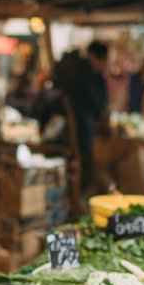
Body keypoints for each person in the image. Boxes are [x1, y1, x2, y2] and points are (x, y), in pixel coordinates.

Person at [54, 40, 108, 187]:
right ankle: (78, 200)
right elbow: (99, 108)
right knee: (83, 170)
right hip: (83, 131)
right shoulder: (90, 76)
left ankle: (74, 199)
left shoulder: (70, 69)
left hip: (63, 133)